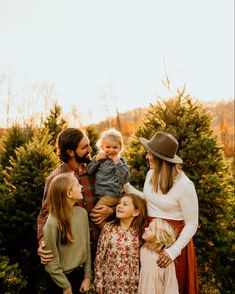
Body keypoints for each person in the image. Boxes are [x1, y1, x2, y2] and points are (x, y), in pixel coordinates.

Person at [124, 131, 198, 294]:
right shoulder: (150, 174)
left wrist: (173, 252)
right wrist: (126, 186)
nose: (146, 157)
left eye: (149, 154)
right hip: (150, 238)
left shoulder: (185, 186)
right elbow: (150, 201)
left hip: (172, 242)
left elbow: (192, 223)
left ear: (160, 158)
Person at [37, 128, 113, 265]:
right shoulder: (56, 179)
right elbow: (45, 215)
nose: (90, 149)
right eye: (84, 147)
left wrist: (111, 211)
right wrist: (43, 242)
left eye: (89, 144)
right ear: (70, 152)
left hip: (103, 248)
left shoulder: (99, 170)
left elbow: (119, 196)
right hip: (75, 254)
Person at [43, 173, 91, 293]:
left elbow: (87, 247)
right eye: (77, 184)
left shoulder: (82, 213)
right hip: (60, 281)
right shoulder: (52, 223)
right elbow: (51, 261)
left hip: (79, 277)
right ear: (69, 193)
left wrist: (87, 277)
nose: (81, 187)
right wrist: (66, 286)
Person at [94, 193, 147, 294]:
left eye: (125, 204)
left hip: (131, 284)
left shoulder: (141, 233)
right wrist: (99, 281)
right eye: (119, 203)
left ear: (136, 212)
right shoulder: (108, 228)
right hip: (109, 283)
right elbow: (99, 257)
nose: (119, 206)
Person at [88, 128, 130, 228]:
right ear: (102, 147)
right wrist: (96, 159)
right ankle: (114, 229)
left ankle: (108, 232)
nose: (111, 150)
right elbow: (89, 171)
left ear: (120, 148)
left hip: (111, 195)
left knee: (95, 215)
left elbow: (124, 179)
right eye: (108, 147)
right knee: (106, 215)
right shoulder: (100, 159)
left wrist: (118, 163)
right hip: (101, 195)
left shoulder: (120, 161)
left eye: (115, 147)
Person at [138, 218, 179, 294]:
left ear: (158, 239)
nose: (145, 229)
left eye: (150, 229)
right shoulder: (143, 250)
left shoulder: (165, 260)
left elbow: (171, 286)